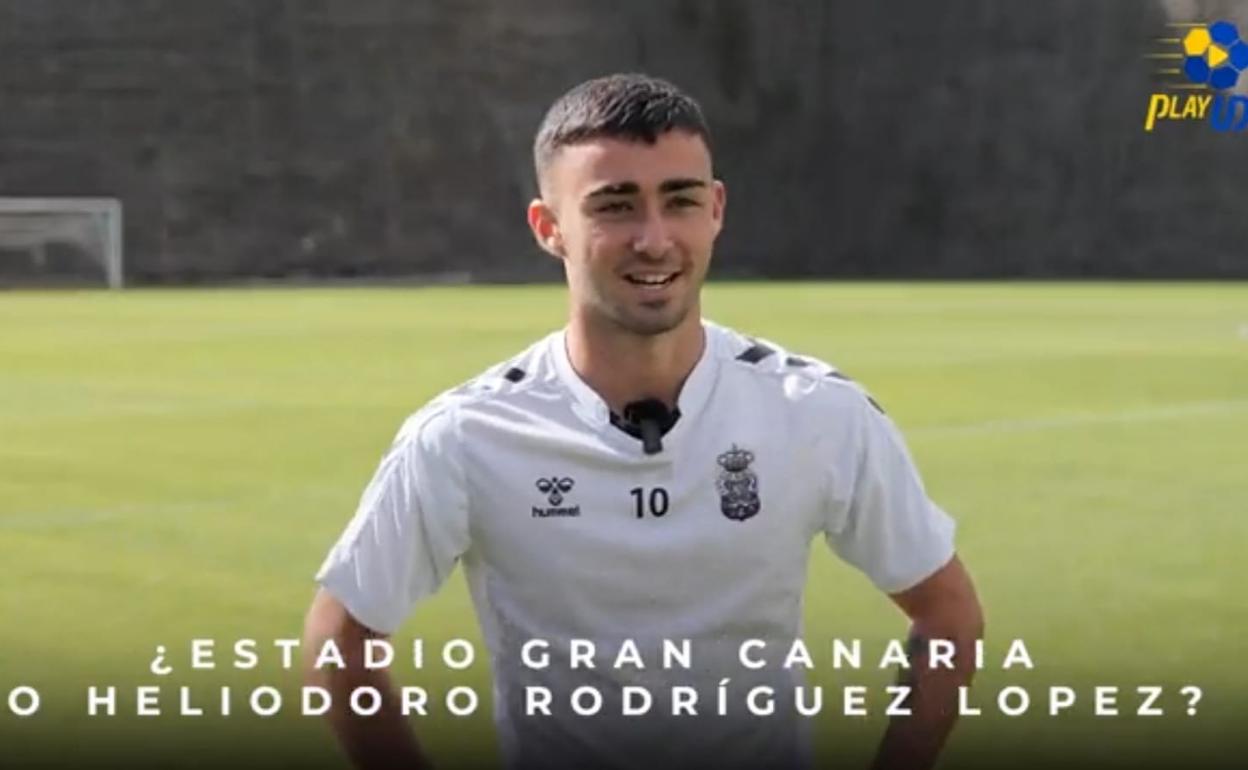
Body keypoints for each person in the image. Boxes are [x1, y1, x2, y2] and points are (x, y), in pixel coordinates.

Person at [303, 72, 984, 770]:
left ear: (715, 209)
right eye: (615, 207)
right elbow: (338, 643)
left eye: (680, 200)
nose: (654, 240)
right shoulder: (465, 436)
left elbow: (949, 617)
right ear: (549, 227)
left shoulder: (816, 411)